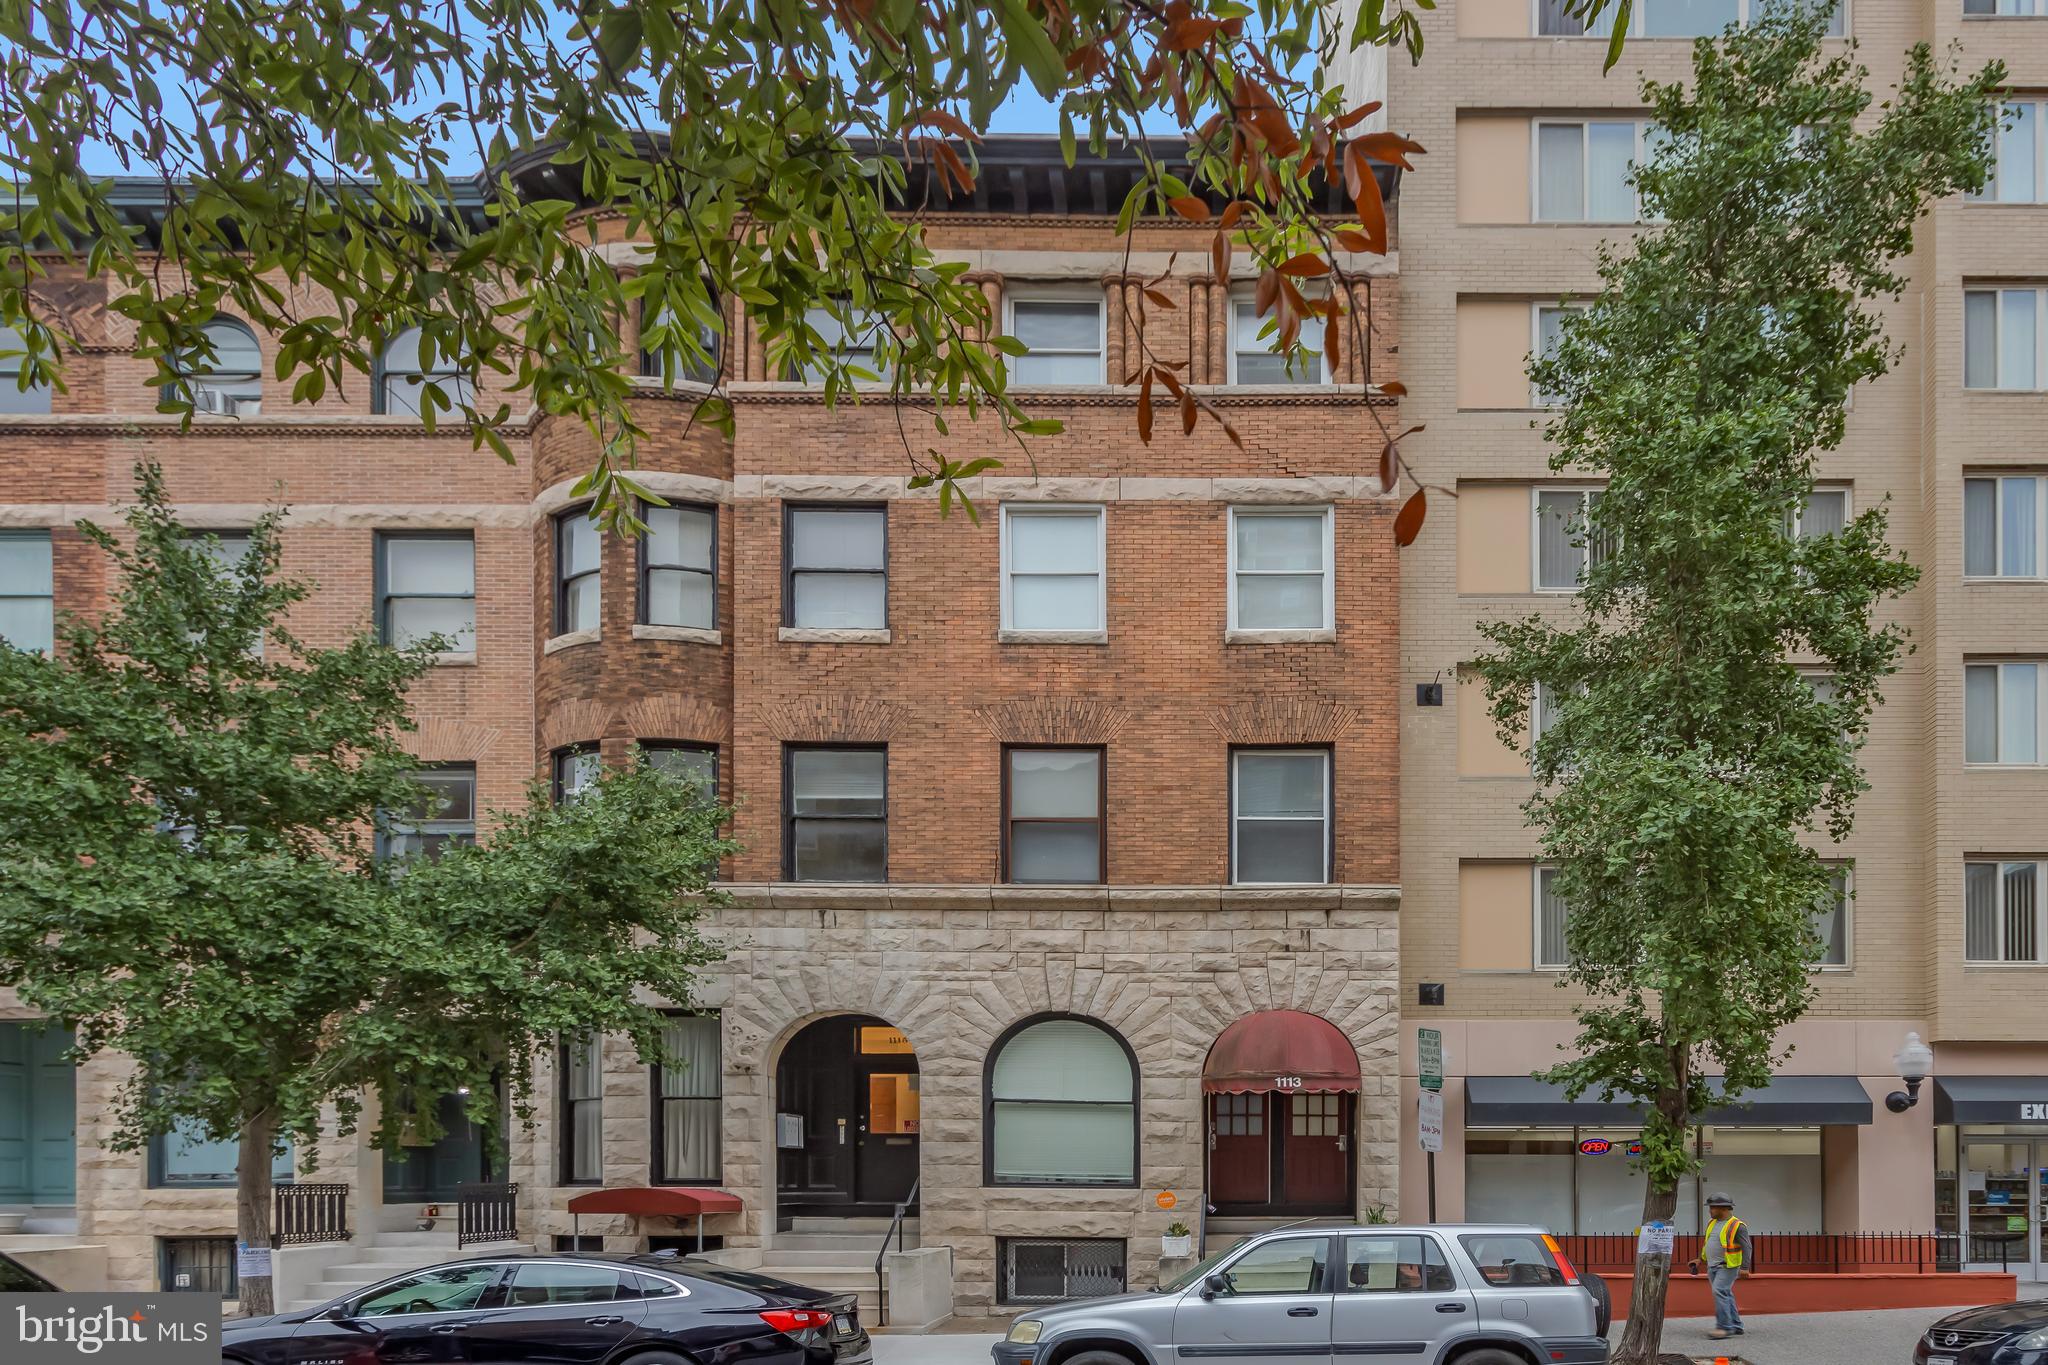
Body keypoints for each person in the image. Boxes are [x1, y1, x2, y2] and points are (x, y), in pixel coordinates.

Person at [1689, 1192, 1753, 1340]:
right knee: (1725, 1294)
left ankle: (1724, 1328)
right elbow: (1708, 1244)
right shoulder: (1712, 1223)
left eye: (1712, 1207)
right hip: (1713, 1266)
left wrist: (1745, 1267)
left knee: (1719, 1291)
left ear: (1723, 1208)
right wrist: (1700, 1259)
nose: (1709, 1210)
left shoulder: (1737, 1225)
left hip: (1727, 1266)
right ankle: (1736, 1326)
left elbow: (1747, 1247)